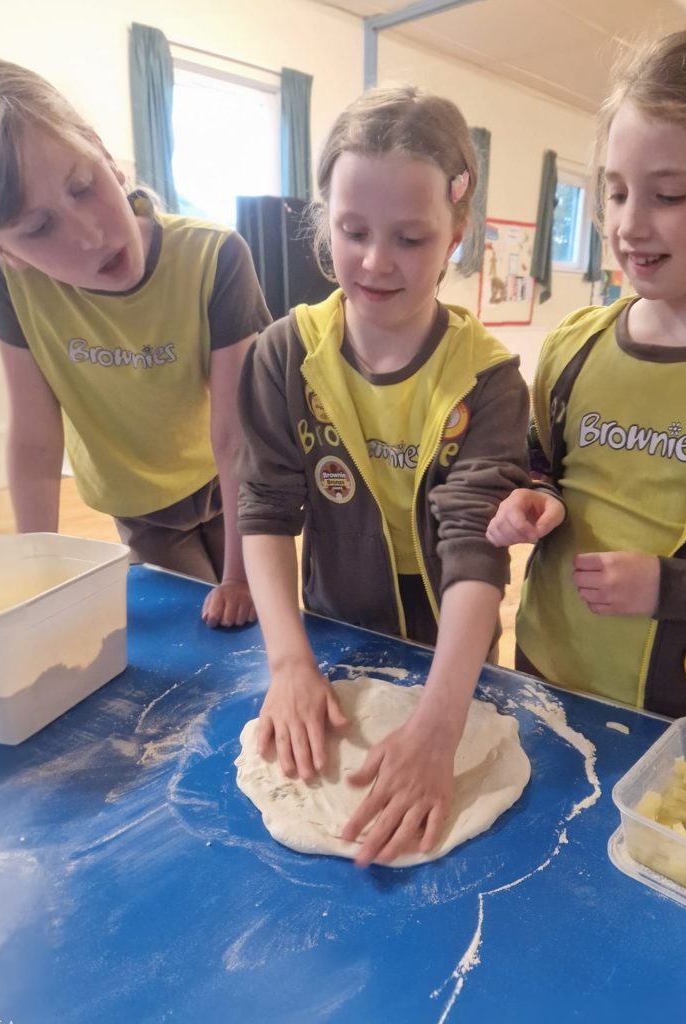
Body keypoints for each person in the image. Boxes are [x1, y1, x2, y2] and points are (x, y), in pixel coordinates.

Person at [236, 84, 534, 866]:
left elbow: (475, 550)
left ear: (456, 231)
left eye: (409, 237)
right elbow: (265, 508)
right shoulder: (284, 355)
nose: (374, 261)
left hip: (454, 659)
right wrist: (290, 663)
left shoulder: (486, 379)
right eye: (352, 230)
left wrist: (438, 728)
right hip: (333, 639)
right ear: (323, 216)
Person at [487, 25, 686, 733]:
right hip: (543, 678)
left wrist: (672, 587)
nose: (628, 224)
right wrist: (530, 499)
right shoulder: (576, 347)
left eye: (668, 195)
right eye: (616, 191)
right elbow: (537, 466)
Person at [0, 54, 271, 628]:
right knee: (191, 629)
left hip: (224, 473)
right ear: (4, 250)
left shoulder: (215, 257)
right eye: (37, 228)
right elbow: (34, 444)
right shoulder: (7, 282)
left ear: (104, 153)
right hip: (140, 504)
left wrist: (238, 575)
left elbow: (236, 436)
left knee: (249, 617)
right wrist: (40, 579)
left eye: (83, 186)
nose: (91, 234)